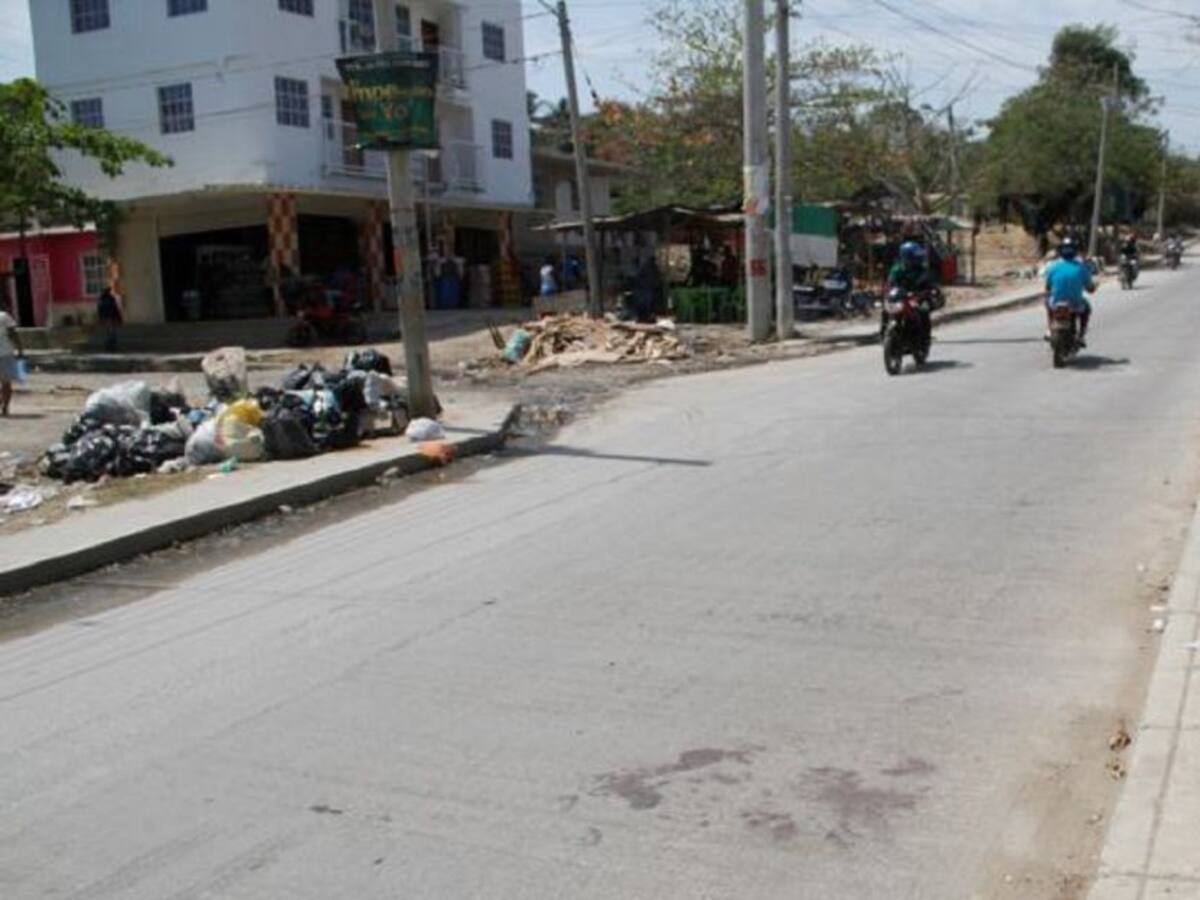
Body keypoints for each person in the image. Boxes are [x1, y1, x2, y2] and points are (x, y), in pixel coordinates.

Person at [1044, 237, 1096, 347]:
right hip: (1075, 303)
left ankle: (1049, 329)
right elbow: (1090, 288)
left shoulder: (1053, 267)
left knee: (1048, 304)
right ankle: (1081, 335)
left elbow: (1048, 287)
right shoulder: (1081, 268)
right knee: (1086, 309)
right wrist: (1092, 287)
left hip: (1056, 302)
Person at [882, 240, 937, 342]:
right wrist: (887, 291)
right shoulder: (897, 268)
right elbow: (890, 282)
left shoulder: (922, 270)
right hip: (901, 297)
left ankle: (924, 338)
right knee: (886, 310)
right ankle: (883, 333)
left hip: (916, 297)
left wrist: (931, 290)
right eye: (915, 256)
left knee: (923, 312)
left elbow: (930, 282)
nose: (918, 258)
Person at [0, 299, 24, 417]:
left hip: (5, 353)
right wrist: (20, 349)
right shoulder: (4, 316)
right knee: (6, 382)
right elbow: (13, 334)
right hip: (5, 353)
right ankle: (5, 407)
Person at [96, 286, 123, 353]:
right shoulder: (111, 298)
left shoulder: (101, 299)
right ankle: (111, 346)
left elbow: (99, 309)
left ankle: (109, 346)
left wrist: (100, 318)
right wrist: (119, 318)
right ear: (108, 292)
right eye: (110, 291)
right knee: (112, 332)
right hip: (111, 317)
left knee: (109, 332)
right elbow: (115, 308)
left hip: (106, 317)